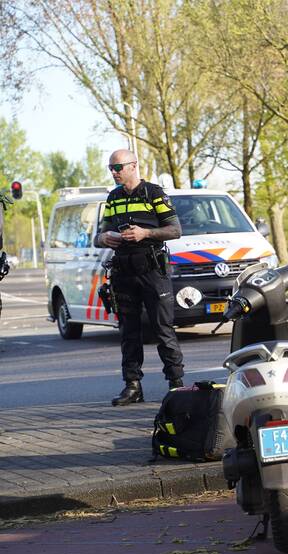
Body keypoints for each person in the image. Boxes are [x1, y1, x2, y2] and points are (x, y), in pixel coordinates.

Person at [94, 149, 185, 406]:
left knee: (163, 329)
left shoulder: (154, 193)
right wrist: (104, 238)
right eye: (111, 168)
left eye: (118, 167)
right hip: (123, 272)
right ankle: (132, 386)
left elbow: (175, 230)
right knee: (129, 332)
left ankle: (177, 385)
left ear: (133, 166)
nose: (114, 172)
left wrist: (145, 233)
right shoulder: (113, 198)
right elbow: (99, 235)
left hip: (152, 271)